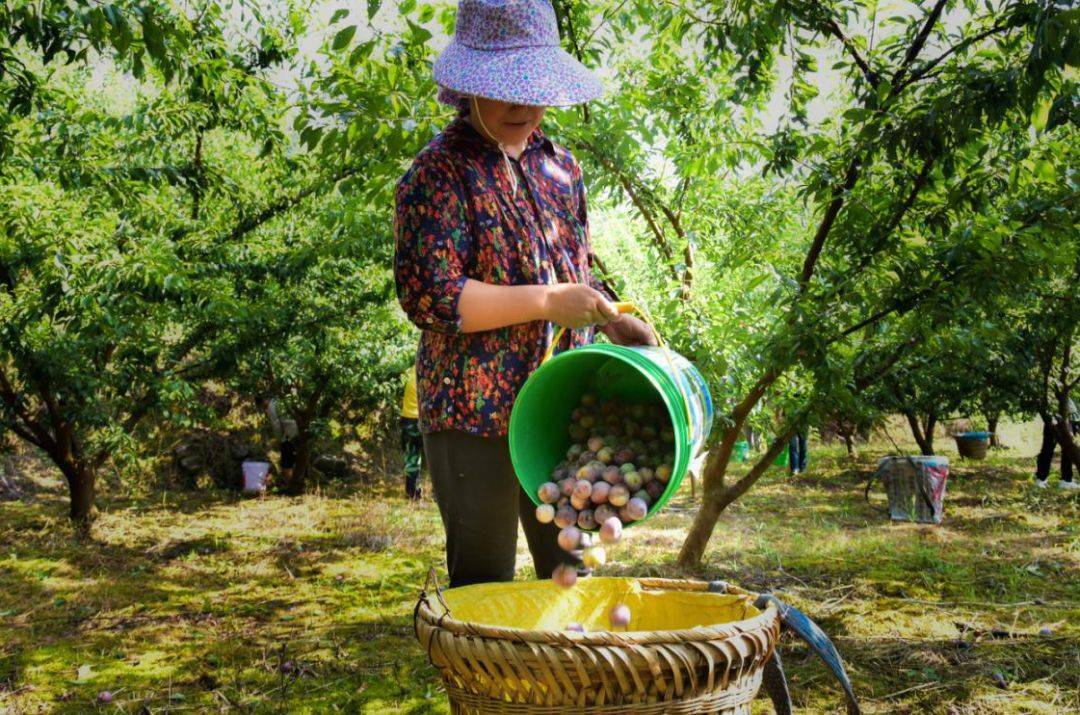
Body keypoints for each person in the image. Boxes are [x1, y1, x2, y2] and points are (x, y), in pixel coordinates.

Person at [394, 0, 655, 588]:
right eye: (504, 87)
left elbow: (574, 264)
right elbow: (432, 297)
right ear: (469, 86)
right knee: (484, 583)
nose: (522, 105)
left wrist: (611, 315)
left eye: (533, 86)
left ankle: (568, 679)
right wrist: (545, 302)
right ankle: (485, 684)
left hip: (557, 405)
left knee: (572, 571)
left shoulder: (559, 167)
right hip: (472, 416)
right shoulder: (440, 174)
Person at [1035, 399, 1079, 490]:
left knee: (1066, 450)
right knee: (1048, 448)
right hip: (1059, 419)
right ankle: (1041, 479)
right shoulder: (1053, 389)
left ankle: (1066, 480)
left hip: (1065, 418)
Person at [400, 366, 424, 499]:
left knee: (411, 457)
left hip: (407, 420)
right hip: (422, 420)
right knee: (434, 458)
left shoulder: (411, 371)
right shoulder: (427, 373)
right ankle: (436, 494)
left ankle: (411, 492)